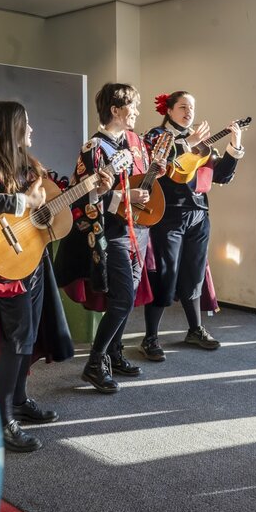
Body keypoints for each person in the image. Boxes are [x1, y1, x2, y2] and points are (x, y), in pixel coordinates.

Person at [0, 100, 100, 452]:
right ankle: (0, 422)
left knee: (28, 337)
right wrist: (24, 203)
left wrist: (94, 187)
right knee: (14, 341)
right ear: (10, 129)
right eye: (26, 123)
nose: (32, 129)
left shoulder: (29, 165)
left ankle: (18, 401)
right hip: (4, 265)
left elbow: (60, 196)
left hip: (31, 260)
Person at [55, 83, 164, 393]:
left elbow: (131, 183)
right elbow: (83, 198)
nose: (138, 112)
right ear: (115, 110)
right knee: (123, 299)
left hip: (132, 229)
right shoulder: (94, 148)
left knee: (126, 296)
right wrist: (122, 196)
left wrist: (138, 191)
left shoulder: (129, 145)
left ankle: (114, 354)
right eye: (133, 106)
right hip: (110, 233)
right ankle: (94, 362)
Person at [139, 91, 244, 359]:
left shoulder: (204, 143)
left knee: (195, 273)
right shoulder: (155, 136)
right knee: (164, 274)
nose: (189, 112)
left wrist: (235, 144)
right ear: (169, 110)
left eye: (192, 107)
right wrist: (188, 143)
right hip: (166, 215)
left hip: (198, 214)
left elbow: (221, 175)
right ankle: (150, 337)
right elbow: (155, 164)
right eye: (183, 107)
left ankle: (195, 329)